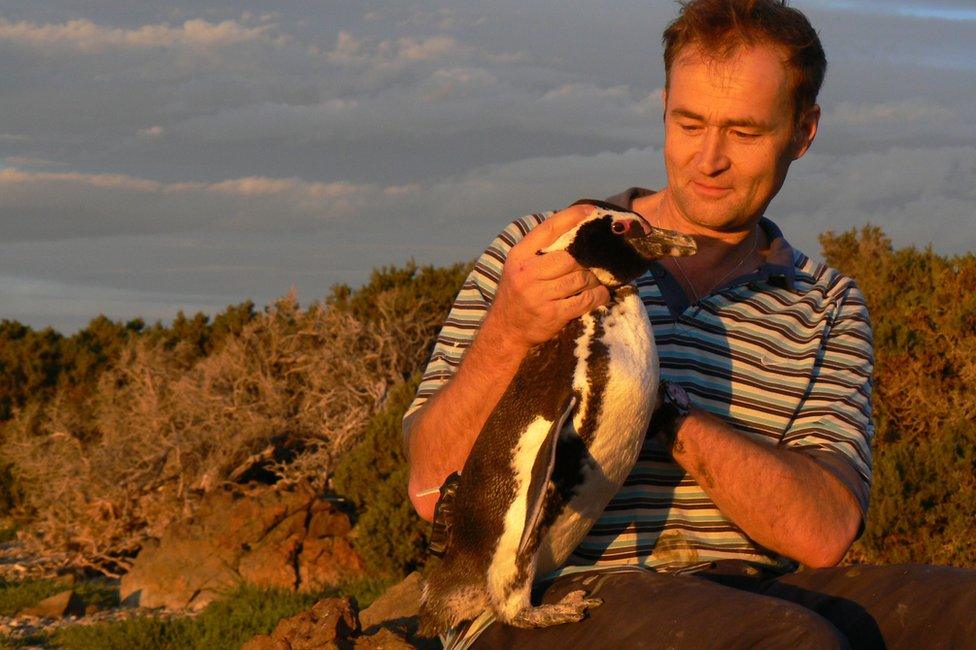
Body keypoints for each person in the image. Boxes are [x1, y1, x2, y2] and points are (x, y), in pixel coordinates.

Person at [402, 0, 976, 647]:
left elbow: (822, 532)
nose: (709, 159)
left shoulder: (823, 304)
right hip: (563, 589)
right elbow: (431, 487)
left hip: (757, 589)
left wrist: (651, 406)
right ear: (664, 107)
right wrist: (510, 330)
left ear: (803, 130)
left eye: (745, 131)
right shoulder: (539, 257)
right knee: (787, 643)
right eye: (689, 122)